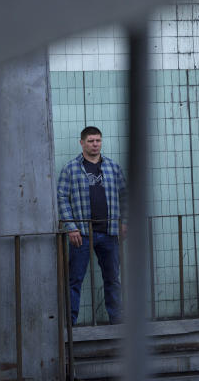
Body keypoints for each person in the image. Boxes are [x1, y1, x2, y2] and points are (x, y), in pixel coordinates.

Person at [57, 126, 127, 325]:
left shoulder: (113, 167)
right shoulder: (71, 168)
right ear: (82, 143)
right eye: (90, 141)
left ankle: (117, 322)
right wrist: (71, 227)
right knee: (74, 280)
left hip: (109, 232)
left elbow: (125, 196)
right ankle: (70, 325)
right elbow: (61, 198)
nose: (95, 144)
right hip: (82, 234)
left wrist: (125, 222)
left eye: (98, 140)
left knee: (112, 279)